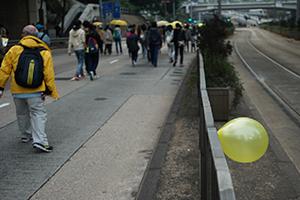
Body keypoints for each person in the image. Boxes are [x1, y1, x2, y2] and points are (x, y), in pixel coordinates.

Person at [0, 25, 59, 153]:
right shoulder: (44, 51)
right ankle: (40, 141)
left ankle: (26, 135)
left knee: (22, 113)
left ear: (24, 35)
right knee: (38, 113)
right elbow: (48, 73)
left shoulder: (14, 49)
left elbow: (4, 69)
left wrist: (1, 87)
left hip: (18, 91)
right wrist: (49, 90)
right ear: (36, 36)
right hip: (36, 90)